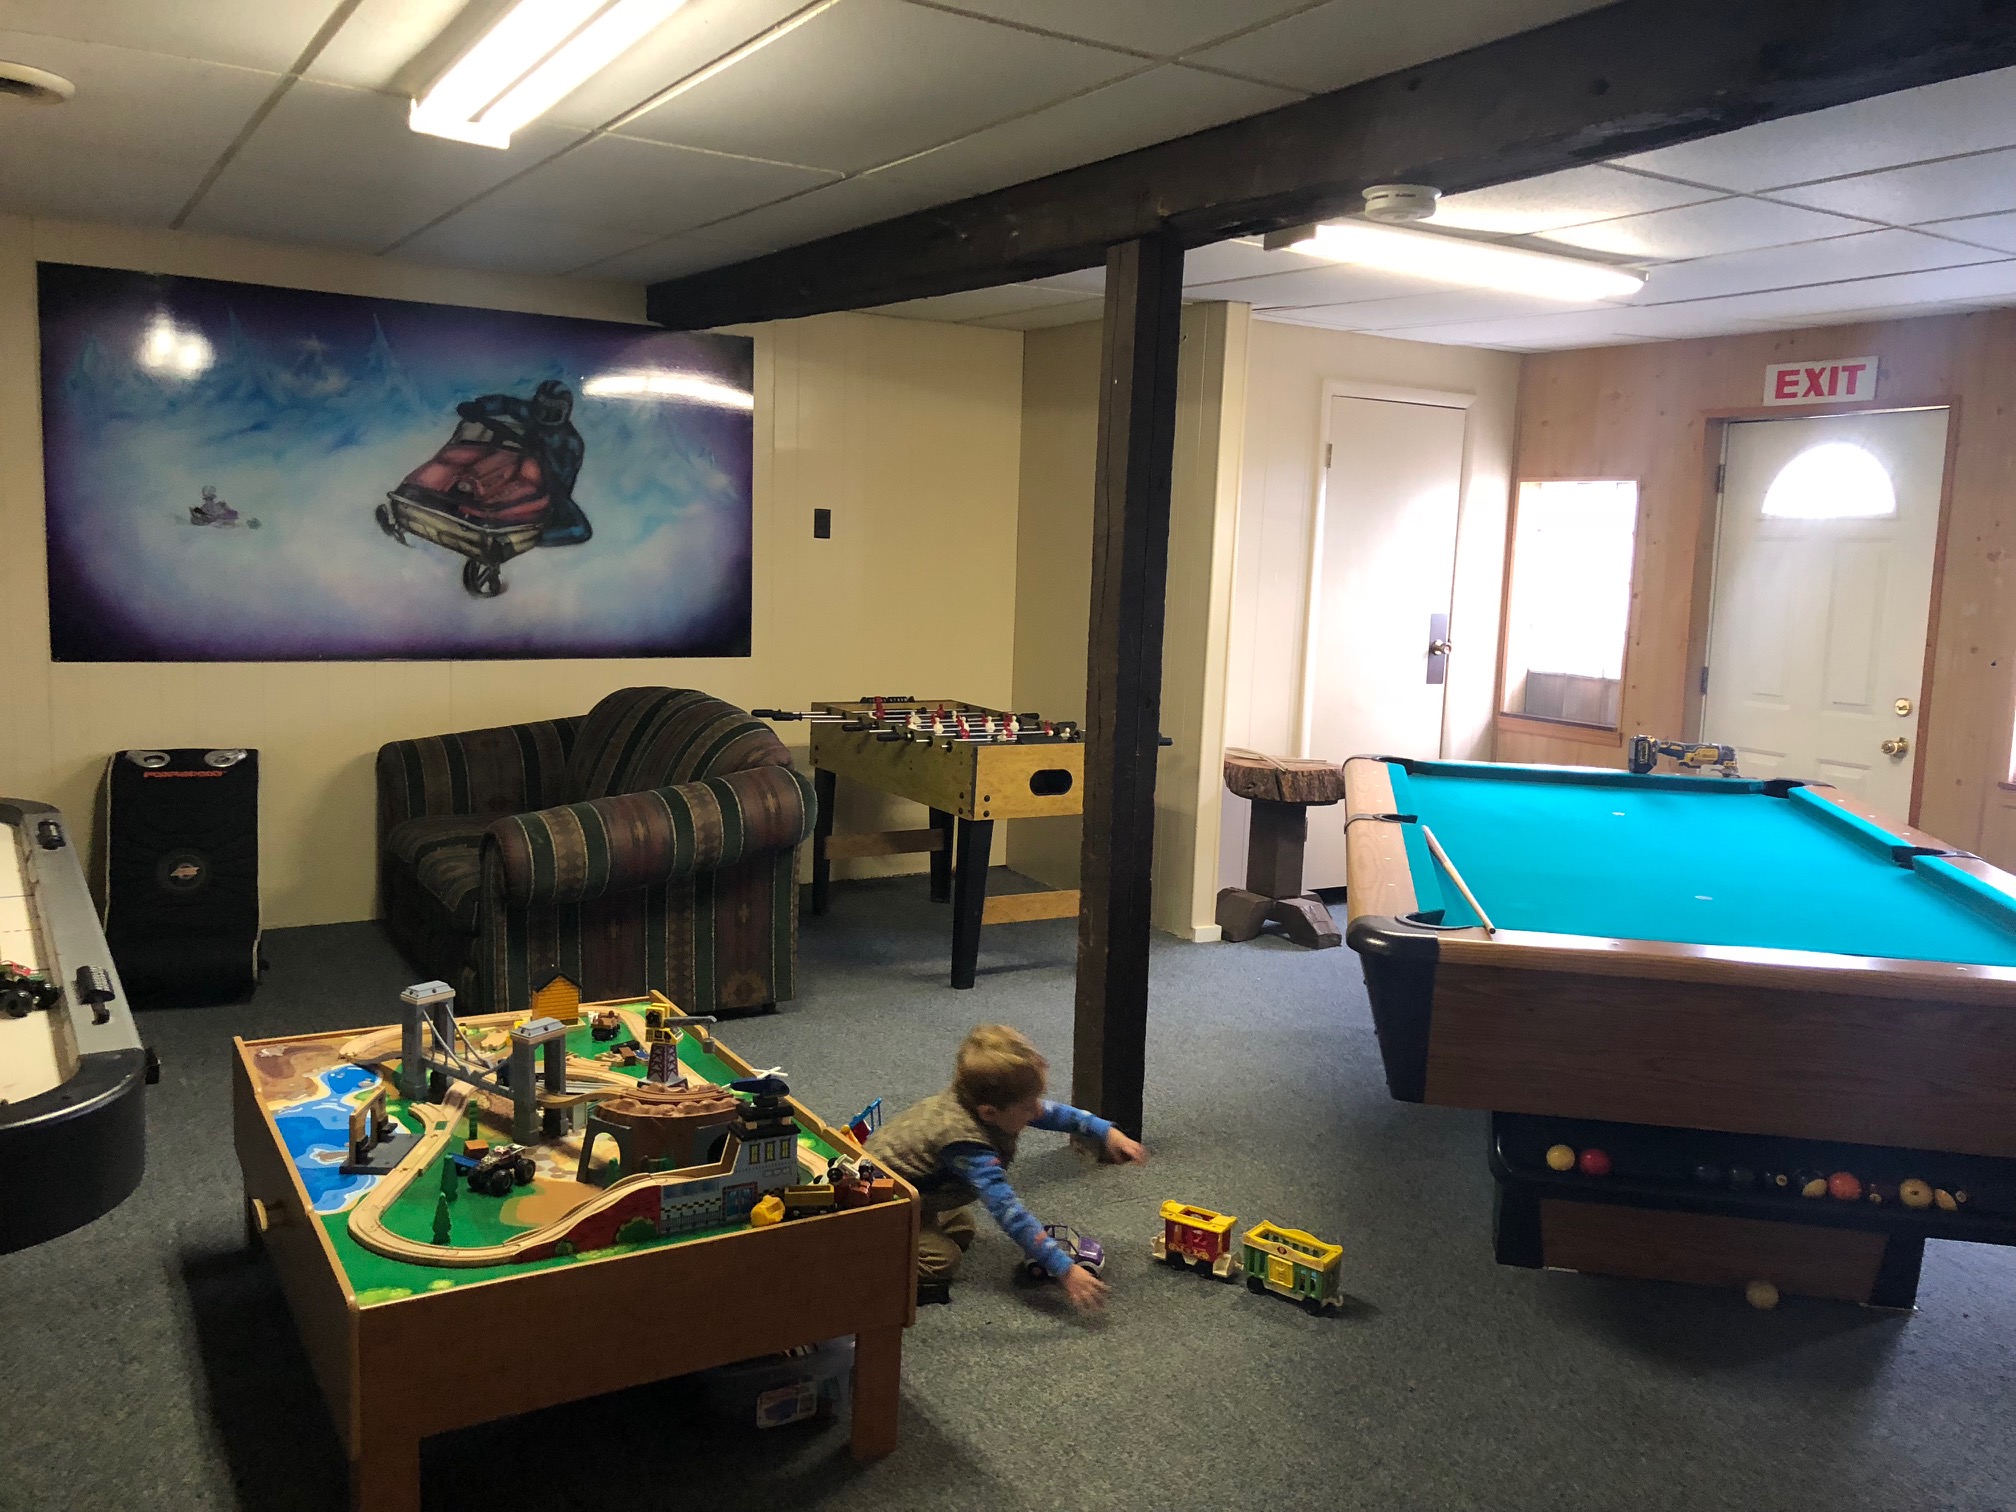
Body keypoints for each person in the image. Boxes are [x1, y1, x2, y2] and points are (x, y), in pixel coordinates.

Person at [866, 1024, 1146, 1312]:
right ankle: (865, 1260)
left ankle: (910, 1232)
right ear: (989, 1113)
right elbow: (1009, 1211)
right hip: (881, 1204)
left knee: (962, 1226)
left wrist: (1105, 1131)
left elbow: (1052, 1113)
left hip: (915, 1190)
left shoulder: (975, 1101)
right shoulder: (966, 1143)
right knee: (943, 1259)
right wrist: (1064, 1269)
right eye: (1028, 1107)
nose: (1037, 1110)